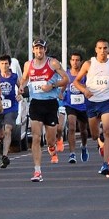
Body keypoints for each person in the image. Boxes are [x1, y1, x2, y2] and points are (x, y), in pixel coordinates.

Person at [71, 39, 109, 178]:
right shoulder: (88, 64)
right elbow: (76, 82)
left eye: (105, 48)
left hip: (108, 102)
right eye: (100, 48)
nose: (103, 51)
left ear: (108, 50)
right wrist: (84, 90)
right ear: (96, 50)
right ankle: (99, 136)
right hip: (92, 102)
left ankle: (106, 164)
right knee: (95, 135)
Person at [19, 39, 69, 182]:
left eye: (41, 48)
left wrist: (52, 86)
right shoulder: (28, 65)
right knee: (36, 137)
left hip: (50, 103)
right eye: (36, 48)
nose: (39, 51)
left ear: (45, 50)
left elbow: (66, 79)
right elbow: (24, 78)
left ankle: (52, 147)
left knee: (50, 140)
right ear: (33, 50)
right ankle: (37, 171)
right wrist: (21, 87)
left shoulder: (53, 63)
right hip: (36, 103)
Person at [64, 52, 90, 163]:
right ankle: (72, 154)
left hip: (83, 106)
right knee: (71, 127)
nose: (75, 62)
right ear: (70, 61)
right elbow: (62, 85)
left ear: (81, 62)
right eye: (73, 60)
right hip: (70, 104)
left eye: (77, 60)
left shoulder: (85, 74)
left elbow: (90, 86)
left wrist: (83, 87)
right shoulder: (66, 74)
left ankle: (84, 146)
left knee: (83, 130)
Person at [0, 54, 21, 168]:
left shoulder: (14, 77)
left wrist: (20, 95)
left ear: (9, 65)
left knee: (8, 129)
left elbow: (22, 88)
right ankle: (0, 140)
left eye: (6, 63)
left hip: (11, 107)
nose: (4, 66)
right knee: (0, 134)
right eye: (2, 63)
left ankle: (4, 156)